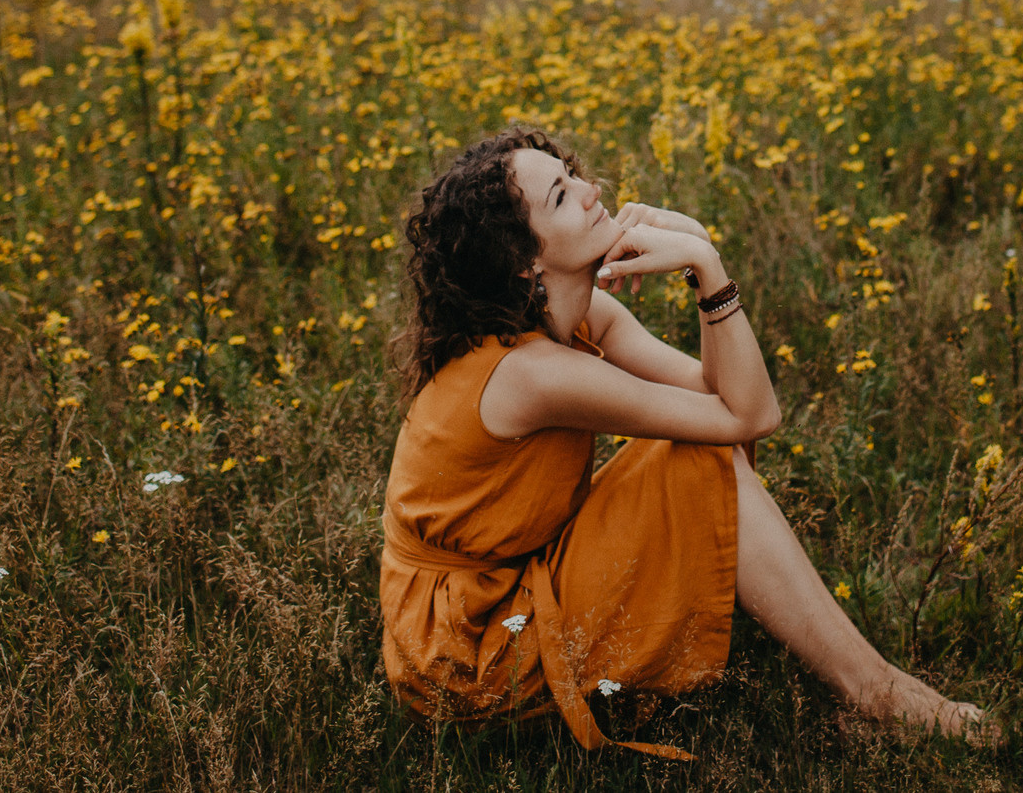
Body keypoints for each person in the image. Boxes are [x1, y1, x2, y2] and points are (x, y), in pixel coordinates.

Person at [380, 123, 991, 759]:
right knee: (702, 459)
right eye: (561, 196)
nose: (591, 191)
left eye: (572, 174)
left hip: (512, 575)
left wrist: (701, 259)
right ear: (524, 260)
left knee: (702, 452)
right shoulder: (531, 374)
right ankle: (877, 693)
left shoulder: (576, 315)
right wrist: (710, 268)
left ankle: (858, 682)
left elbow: (719, 394)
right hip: (469, 645)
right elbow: (748, 416)